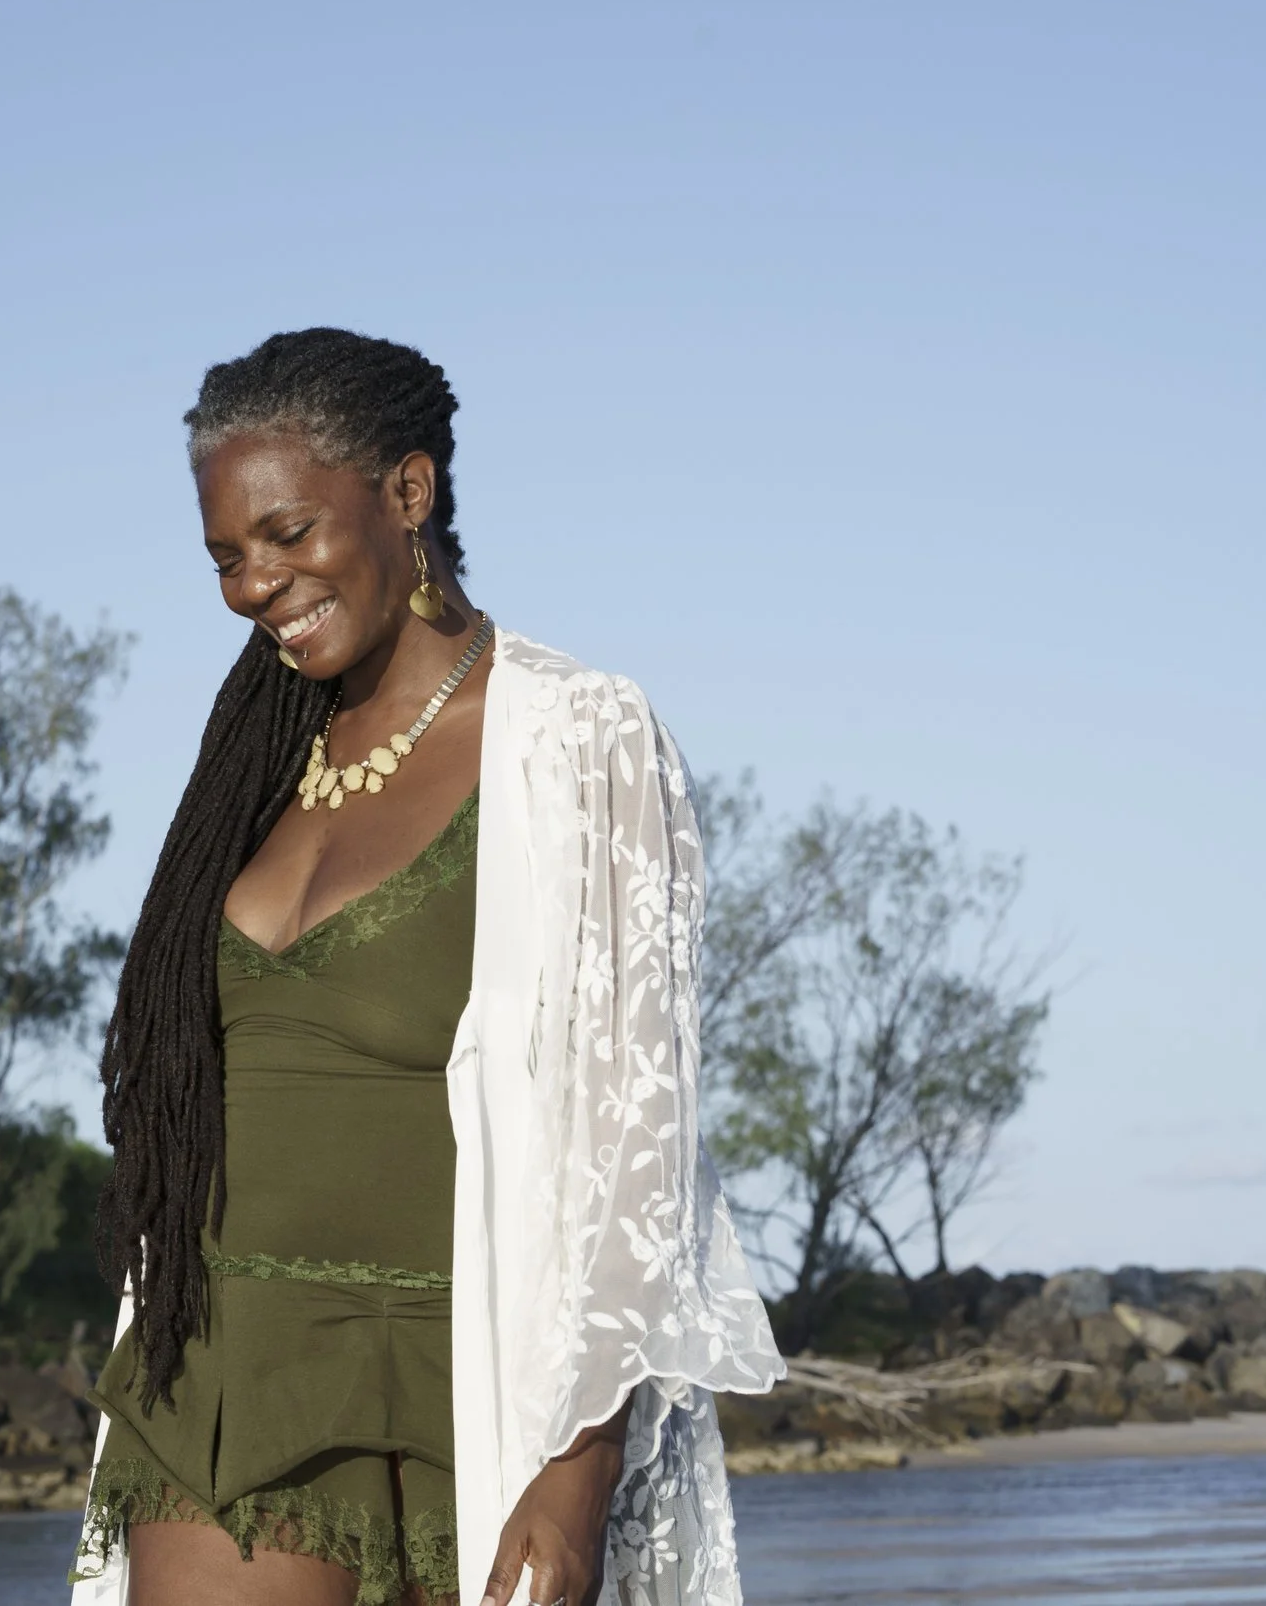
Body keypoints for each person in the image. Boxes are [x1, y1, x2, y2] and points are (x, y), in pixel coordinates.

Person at [72, 329, 783, 1606]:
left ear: (407, 491)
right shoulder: (257, 753)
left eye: (287, 533)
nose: (255, 584)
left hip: (473, 1372)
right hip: (231, 1356)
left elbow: (637, 1137)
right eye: (227, 557)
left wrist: (577, 1468)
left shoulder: (575, 736)